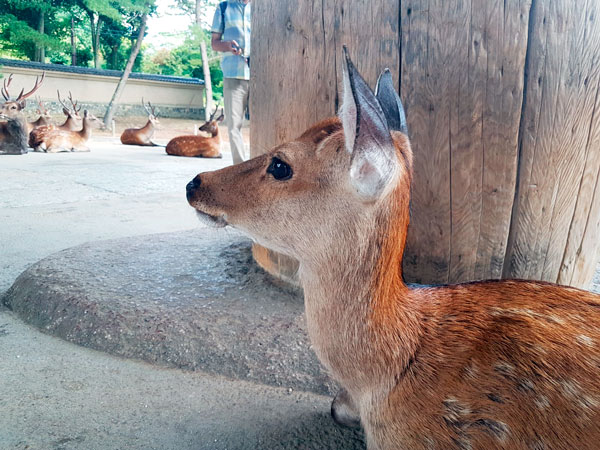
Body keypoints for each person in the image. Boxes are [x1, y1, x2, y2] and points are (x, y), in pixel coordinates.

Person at [211, 0, 251, 165]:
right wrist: (227, 46)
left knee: (264, 124)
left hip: (261, 77)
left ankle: (266, 169)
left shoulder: (262, 9)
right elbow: (214, 43)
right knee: (234, 126)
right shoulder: (223, 8)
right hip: (233, 75)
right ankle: (241, 169)